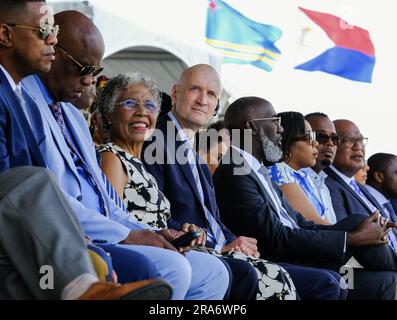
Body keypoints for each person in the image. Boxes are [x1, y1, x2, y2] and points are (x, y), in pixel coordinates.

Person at [21, 10, 229, 300]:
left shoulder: (71, 115)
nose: (88, 82)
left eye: (94, 72)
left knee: (215, 273)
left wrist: (154, 233)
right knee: (173, 268)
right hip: (70, 236)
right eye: (131, 103)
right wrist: (131, 235)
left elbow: (108, 202)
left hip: (115, 231)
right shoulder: (26, 102)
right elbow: (41, 193)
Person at [97, 72, 297, 300]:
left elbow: (212, 219)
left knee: (276, 275)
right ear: (175, 93)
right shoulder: (131, 151)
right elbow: (112, 219)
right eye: (195, 89)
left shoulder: (189, 158)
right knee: (263, 276)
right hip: (162, 251)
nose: (142, 111)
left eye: (211, 94)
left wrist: (232, 241)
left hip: (179, 246)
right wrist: (208, 244)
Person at [213, 96, 397, 299]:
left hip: (302, 252)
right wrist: (352, 239)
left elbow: (300, 223)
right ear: (252, 127)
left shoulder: (255, 169)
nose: (281, 129)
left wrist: (355, 234)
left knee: (358, 223)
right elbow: (277, 237)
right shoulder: (235, 172)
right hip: (283, 261)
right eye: (275, 121)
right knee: (386, 281)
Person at [0, 166, 173, 300]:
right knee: (155, 266)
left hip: (92, 227)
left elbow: (108, 202)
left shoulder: (75, 124)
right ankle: (83, 290)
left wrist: (140, 232)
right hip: (77, 225)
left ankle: (87, 288)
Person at [269, 111, 327, 225]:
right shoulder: (280, 172)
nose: (315, 143)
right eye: (308, 137)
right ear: (287, 141)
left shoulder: (303, 175)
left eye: (313, 136)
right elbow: (316, 224)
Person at [304, 112, 339, 224]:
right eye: (321, 137)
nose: (330, 143)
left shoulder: (324, 186)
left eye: (334, 138)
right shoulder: (289, 177)